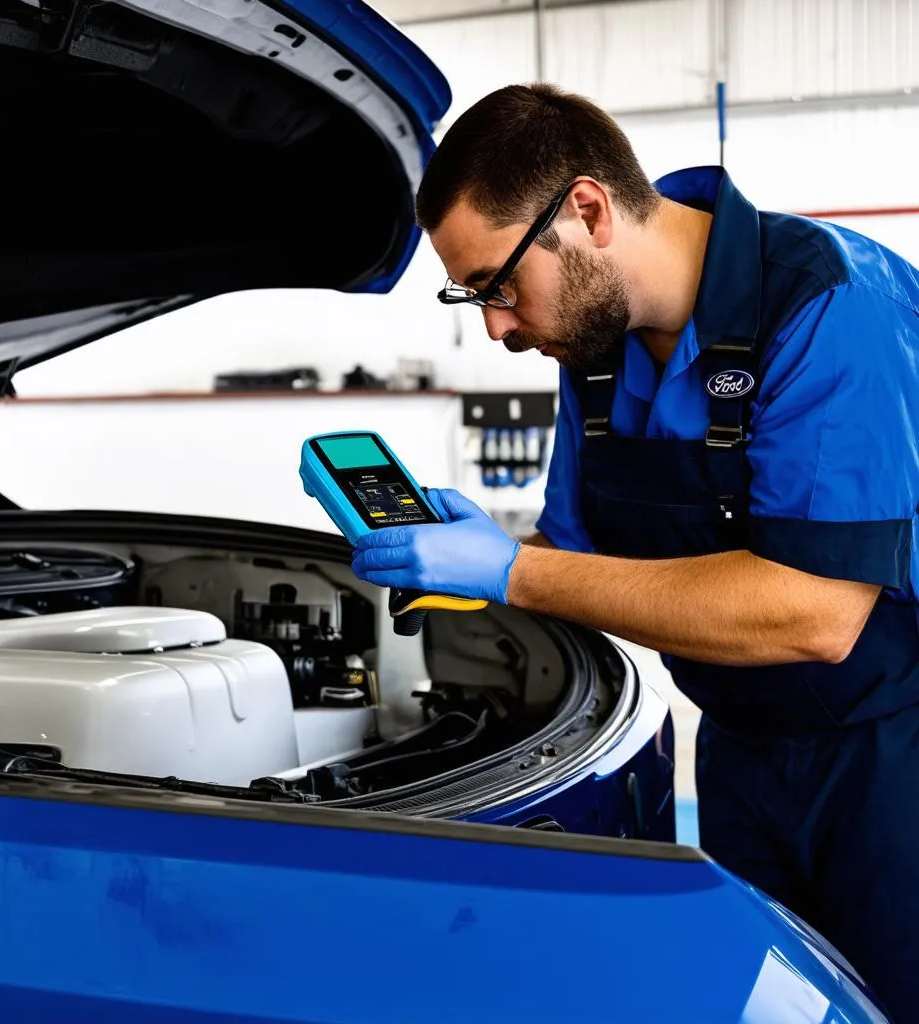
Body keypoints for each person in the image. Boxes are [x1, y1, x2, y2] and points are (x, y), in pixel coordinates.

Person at [350, 83, 919, 1021]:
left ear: (587, 210)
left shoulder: (825, 306)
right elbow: (573, 556)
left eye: (496, 284)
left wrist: (510, 569)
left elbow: (815, 613)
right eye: (469, 296)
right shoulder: (596, 352)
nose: (494, 326)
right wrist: (466, 560)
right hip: (739, 753)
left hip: (890, 761)